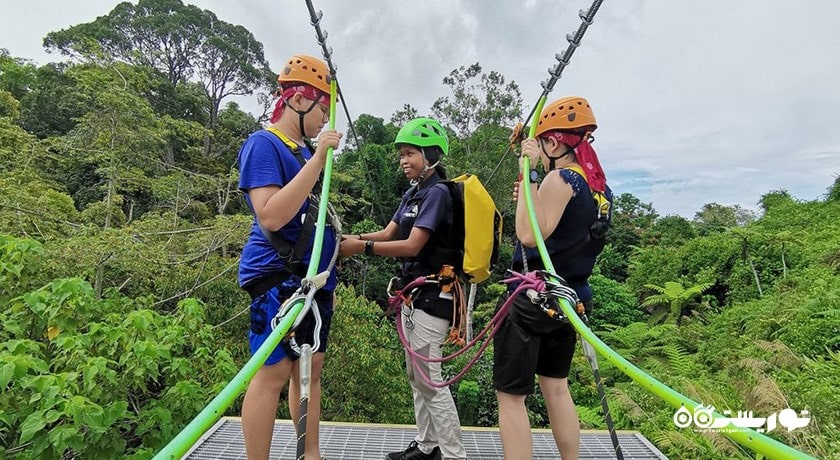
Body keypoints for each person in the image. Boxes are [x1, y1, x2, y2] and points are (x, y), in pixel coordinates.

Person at [339, 117, 466, 460]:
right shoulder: (413, 194)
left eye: (410, 153)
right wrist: (351, 240)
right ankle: (427, 446)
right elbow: (387, 233)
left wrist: (360, 249)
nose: (403, 160)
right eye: (401, 155)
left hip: (435, 295)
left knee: (429, 379)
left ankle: (454, 454)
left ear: (431, 155)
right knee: (417, 376)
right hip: (414, 296)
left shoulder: (438, 193)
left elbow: (411, 246)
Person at [237, 54, 343, 460]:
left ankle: (310, 453)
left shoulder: (300, 152)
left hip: (313, 279)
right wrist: (318, 159)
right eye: (322, 109)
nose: (324, 121)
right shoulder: (264, 144)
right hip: (278, 275)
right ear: (298, 100)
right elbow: (271, 214)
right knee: (273, 373)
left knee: (311, 370)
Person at [494, 96, 612, 460]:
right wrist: (530, 190)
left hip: (533, 299)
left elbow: (529, 236)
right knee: (556, 386)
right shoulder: (598, 189)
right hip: (571, 298)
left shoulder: (560, 178)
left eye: (544, 144)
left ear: (555, 142)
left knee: (512, 396)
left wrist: (531, 172)